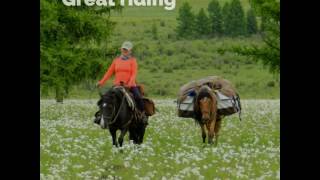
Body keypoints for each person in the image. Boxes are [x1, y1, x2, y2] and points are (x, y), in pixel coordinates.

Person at [97, 41, 145, 116]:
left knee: (138, 97)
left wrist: (129, 84)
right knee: (106, 98)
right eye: (123, 49)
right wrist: (101, 82)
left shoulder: (133, 61)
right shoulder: (116, 61)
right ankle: (101, 117)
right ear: (121, 49)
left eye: (126, 49)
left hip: (130, 85)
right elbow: (109, 73)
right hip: (117, 85)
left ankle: (142, 115)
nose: (125, 51)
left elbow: (133, 74)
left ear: (130, 51)